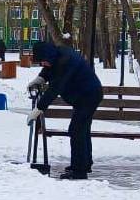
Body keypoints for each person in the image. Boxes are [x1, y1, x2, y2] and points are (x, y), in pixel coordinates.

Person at [27, 40, 103, 180]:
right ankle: (83, 164)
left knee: (76, 129)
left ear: (48, 56)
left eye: (42, 61)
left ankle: (79, 171)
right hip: (85, 95)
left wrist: (39, 108)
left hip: (88, 96)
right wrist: (40, 78)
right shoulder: (57, 54)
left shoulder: (66, 61)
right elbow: (49, 68)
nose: (42, 65)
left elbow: (55, 88)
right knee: (82, 129)